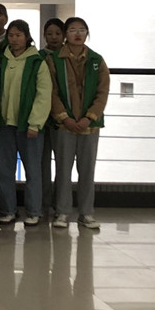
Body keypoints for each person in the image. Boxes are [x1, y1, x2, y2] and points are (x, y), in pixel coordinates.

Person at [47, 17, 109, 230]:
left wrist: (88, 117)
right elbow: (51, 92)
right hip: (64, 124)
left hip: (89, 126)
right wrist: (64, 117)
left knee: (87, 170)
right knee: (63, 169)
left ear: (87, 33)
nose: (78, 34)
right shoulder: (55, 59)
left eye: (82, 30)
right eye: (73, 30)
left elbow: (102, 92)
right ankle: (62, 212)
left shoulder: (96, 60)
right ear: (66, 34)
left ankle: (86, 213)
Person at [0, 19, 53, 226]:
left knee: (33, 170)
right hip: (5, 124)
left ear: (27, 37)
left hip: (29, 126)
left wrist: (35, 123)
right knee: (5, 169)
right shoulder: (2, 60)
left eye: (18, 35)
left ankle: (34, 211)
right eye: (11, 35)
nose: (14, 39)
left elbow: (43, 95)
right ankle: (8, 209)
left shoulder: (37, 62)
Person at [39, 17, 66, 214]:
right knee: (42, 164)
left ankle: (60, 205)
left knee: (63, 163)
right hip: (41, 118)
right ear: (44, 36)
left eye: (57, 33)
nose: (54, 37)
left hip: (63, 119)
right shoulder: (38, 56)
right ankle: (43, 204)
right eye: (49, 34)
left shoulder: (69, 56)